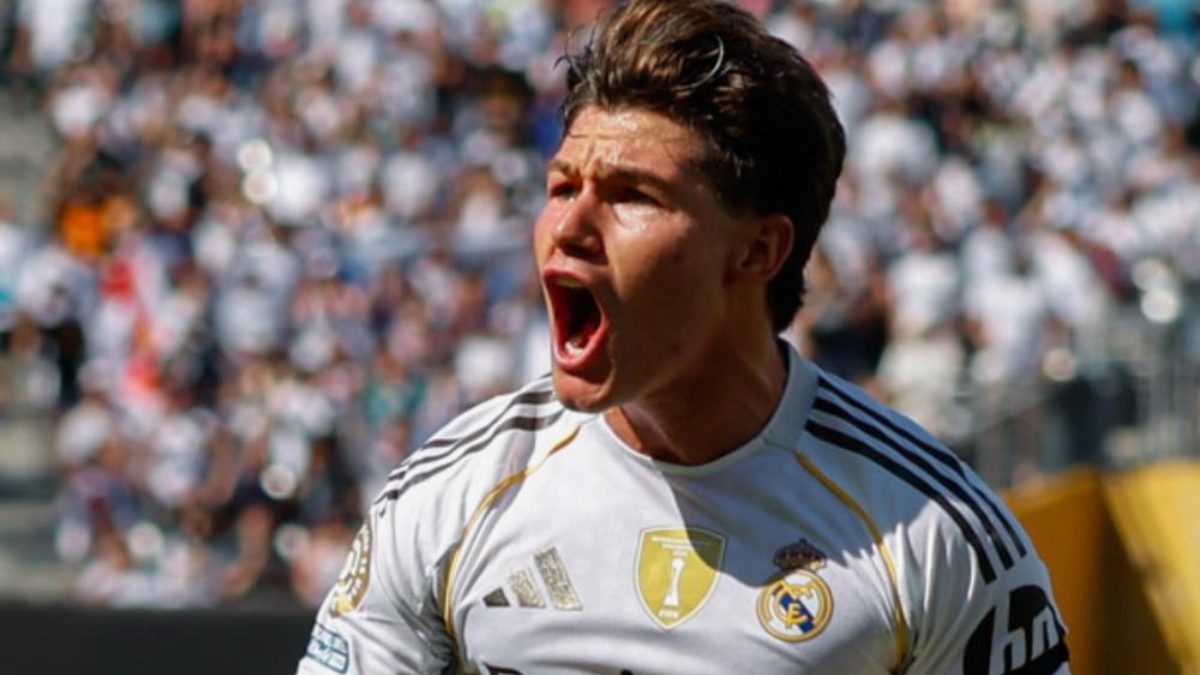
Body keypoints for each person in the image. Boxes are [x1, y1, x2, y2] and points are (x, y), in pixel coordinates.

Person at [297, 1, 1070, 673]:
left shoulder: (936, 533)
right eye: (562, 187)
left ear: (757, 250)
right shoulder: (448, 497)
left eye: (631, 194)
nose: (566, 227)